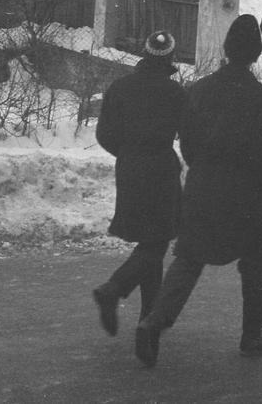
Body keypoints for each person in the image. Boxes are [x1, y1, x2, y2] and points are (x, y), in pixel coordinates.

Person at [135, 15, 262, 366]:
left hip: (204, 186)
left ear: (227, 50)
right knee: (256, 261)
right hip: (248, 194)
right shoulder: (261, 98)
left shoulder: (199, 90)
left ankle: (153, 323)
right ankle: (252, 334)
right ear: (257, 53)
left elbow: (187, 142)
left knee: (189, 258)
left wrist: (203, 170)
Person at [92, 31, 186, 339]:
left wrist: (128, 154)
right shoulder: (175, 93)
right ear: (171, 58)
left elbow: (104, 134)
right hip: (161, 168)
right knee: (157, 242)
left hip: (129, 168)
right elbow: (190, 134)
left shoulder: (120, 87)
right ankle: (115, 289)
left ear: (144, 54)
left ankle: (149, 319)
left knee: (150, 241)